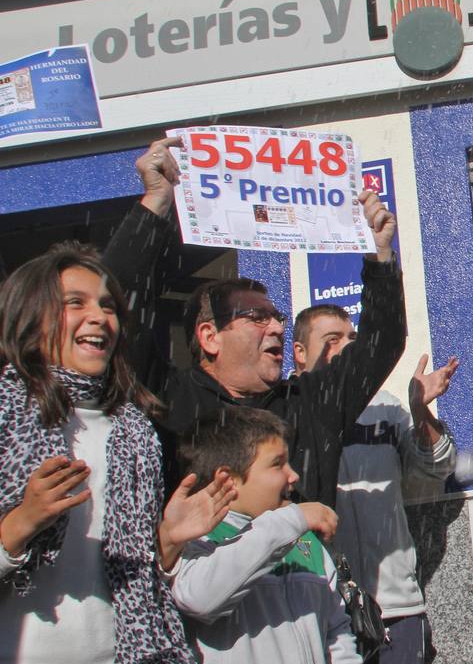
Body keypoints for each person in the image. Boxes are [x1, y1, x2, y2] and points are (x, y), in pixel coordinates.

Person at [0, 243, 235, 664]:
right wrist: (20, 524)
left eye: (108, 305)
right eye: (75, 303)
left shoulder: (133, 429)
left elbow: (130, 571)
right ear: (29, 315)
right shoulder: (6, 418)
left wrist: (168, 543)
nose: (98, 317)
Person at [101, 135, 408, 507]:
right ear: (210, 337)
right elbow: (116, 307)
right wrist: (155, 204)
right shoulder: (165, 398)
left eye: (276, 317)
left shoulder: (310, 404)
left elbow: (383, 341)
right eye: (257, 317)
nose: (277, 327)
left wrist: (380, 257)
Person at [293, 303, 459, 664]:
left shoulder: (386, 406)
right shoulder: (286, 410)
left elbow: (435, 470)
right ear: (299, 354)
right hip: (319, 616)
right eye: (331, 341)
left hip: (397, 612)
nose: (345, 348)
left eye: (350, 338)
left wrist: (420, 410)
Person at [168, 405, 365, 664]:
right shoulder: (200, 543)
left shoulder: (304, 542)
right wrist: (290, 520)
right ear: (227, 480)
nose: (293, 476)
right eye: (277, 464)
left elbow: (336, 626)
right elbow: (201, 598)